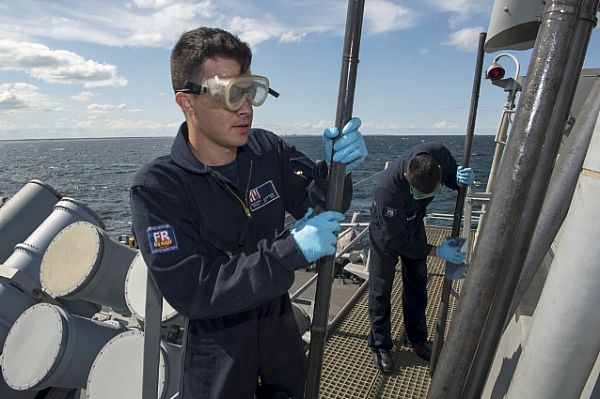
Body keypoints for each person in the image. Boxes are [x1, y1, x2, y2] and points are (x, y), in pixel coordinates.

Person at [129, 27, 367, 399]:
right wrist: (290, 251)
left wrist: (334, 172)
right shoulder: (158, 188)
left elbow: (318, 207)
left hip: (279, 330)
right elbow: (195, 290)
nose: (245, 108)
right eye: (229, 93)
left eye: (250, 91)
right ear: (187, 102)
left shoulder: (266, 149)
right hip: (217, 350)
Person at [367, 142, 474, 374]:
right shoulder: (389, 191)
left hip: (414, 221)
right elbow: (396, 240)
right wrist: (437, 251)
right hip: (388, 230)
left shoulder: (439, 155)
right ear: (407, 175)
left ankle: (417, 338)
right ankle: (380, 344)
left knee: (417, 282)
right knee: (381, 287)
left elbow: (451, 177)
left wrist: (458, 180)